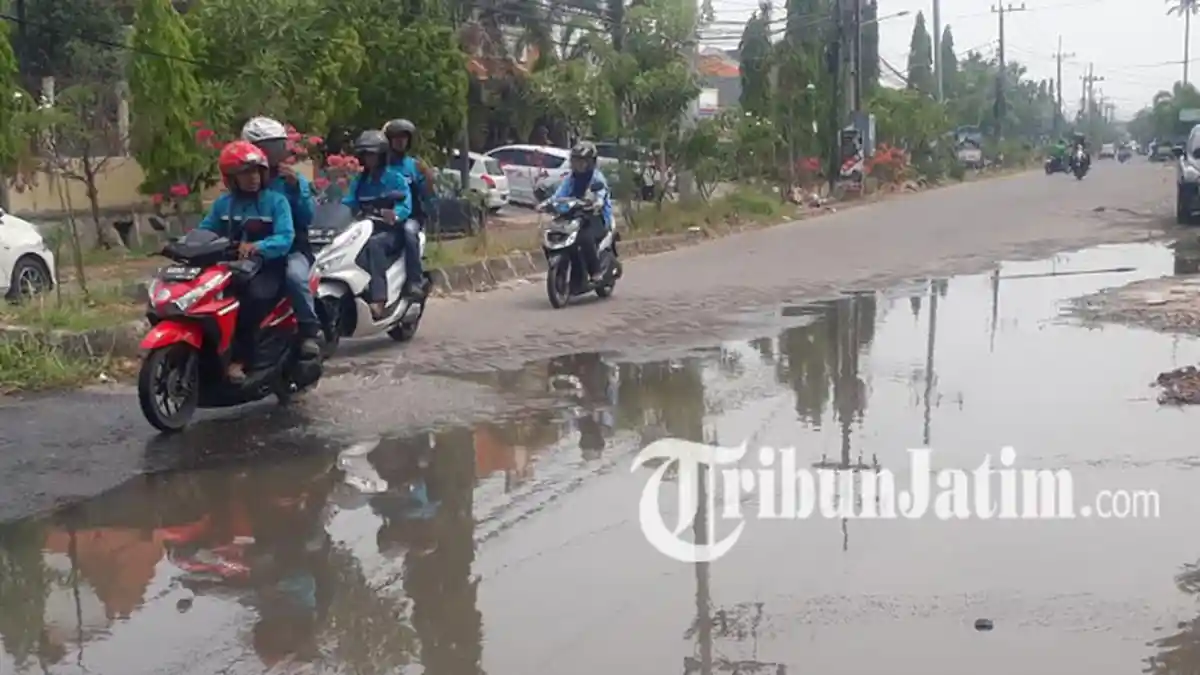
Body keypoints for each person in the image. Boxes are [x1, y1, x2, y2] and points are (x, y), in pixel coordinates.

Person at [198, 141, 295, 383]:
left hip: (268, 268)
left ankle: (241, 359)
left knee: (249, 301)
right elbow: (205, 231)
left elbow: (285, 237)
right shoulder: (223, 204)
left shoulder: (276, 202)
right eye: (245, 173)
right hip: (231, 268)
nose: (252, 178)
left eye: (256, 172)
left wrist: (258, 247)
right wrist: (185, 243)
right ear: (231, 178)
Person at [240, 116, 321, 358]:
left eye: (276, 146)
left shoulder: (291, 180)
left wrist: (297, 189)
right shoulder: (244, 181)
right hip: (253, 250)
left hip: (292, 247)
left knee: (295, 277)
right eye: (265, 148)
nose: (272, 154)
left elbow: (307, 217)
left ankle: (309, 330)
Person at [342, 130, 412, 320]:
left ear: (382, 155)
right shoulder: (360, 180)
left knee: (375, 245)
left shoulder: (395, 179)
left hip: (390, 232)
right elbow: (348, 202)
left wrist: (394, 214)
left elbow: (405, 206)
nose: (369, 158)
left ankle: (379, 299)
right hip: (364, 229)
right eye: (365, 154)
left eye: (373, 154)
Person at [383, 119, 436, 298]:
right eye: (396, 137)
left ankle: (415, 281)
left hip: (411, 216)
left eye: (404, 138)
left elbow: (428, 195)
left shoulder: (415, 166)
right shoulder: (381, 165)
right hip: (382, 216)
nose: (400, 141)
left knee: (408, 232)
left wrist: (428, 179)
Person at [552, 140, 613, 285]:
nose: (578, 165)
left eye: (582, 161)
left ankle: (595, 271)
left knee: (584, 238)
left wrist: (597, 202)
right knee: (555, 232)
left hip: (596, 216)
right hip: (575, 214)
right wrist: (547, 204)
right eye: (575, 161)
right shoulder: (570, 179)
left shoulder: (596, 178)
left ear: (591, 162)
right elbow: (559, 195)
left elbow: (601, 194)